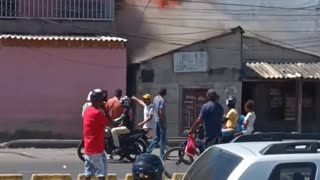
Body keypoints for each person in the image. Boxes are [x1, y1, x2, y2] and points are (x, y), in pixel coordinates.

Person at [83, 90, 110, 180]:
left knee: (88, 172)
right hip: (96, 149)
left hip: (88, 147)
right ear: (98, 101)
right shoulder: (97, 114)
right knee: (101, 173)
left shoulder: (87, 111)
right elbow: (110, 123)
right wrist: (105, 109)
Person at [146, 88, 167, 158]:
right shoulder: (162, 100)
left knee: (157, 137)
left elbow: (154, 108)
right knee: (163, 138)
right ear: (164, 94)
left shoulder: (155, 98)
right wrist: (164, 121)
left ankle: (148, 151)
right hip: (160, 120)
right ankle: (162, 154)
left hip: (156, 120)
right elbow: (161, 112)